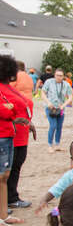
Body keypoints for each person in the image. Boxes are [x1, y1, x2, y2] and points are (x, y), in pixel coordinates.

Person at [0, 55, 32, 226]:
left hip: (9, 133)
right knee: (0, 177)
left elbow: (12, 108)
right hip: (2, 134)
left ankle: (4, 214)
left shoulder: (6, 87)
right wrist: (11, 112)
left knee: (4, 176)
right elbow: (5, 110)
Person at [8, 60, 35, 209]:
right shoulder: (11, 89)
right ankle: (10, 197)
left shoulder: (20, 89)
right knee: (12, 167)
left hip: (21, 134)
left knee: (15, 166)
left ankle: (11, 196)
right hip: (14, 135)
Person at [41, 68, 73, 153]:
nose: (59, 77)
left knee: (59, 126)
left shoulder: (66, 84)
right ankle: (50, 145)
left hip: (61, 108)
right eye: (57, 75)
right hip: (50, 107)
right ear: (54, 75)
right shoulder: (49, 82)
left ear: (63, 76)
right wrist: (48, 102)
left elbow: (70, 96)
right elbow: (43, 93)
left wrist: (63, 105)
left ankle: (57, 144)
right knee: (53, 125)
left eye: (61, 76)